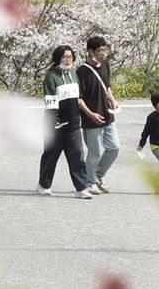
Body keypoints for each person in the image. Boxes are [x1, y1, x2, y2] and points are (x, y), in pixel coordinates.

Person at [38, 45, 93, 199]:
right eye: (65, 57)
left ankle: (81, 188)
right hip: (55, 124)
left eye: (70, 57)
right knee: (51, 155)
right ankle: (44, 184)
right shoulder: (51, 76)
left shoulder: (74, 75)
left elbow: (78, 99)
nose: (68, 60)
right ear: (58, 59)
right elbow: (50, 101)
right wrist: (55, 121)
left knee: (77, 155)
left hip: (74, 124)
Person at [76, 36, 120, 195]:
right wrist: (91, 114)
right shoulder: (81, 71)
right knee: (95, 152)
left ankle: (98, 176)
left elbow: (107, 86)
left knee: (114, 147)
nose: (103, 53)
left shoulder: (106, 65)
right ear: (90, 52)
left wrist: (113, 100)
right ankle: (90, 182)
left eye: (104, 49)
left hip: (108, 115)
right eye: (99, 50)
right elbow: (79, 99)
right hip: (91, 118)